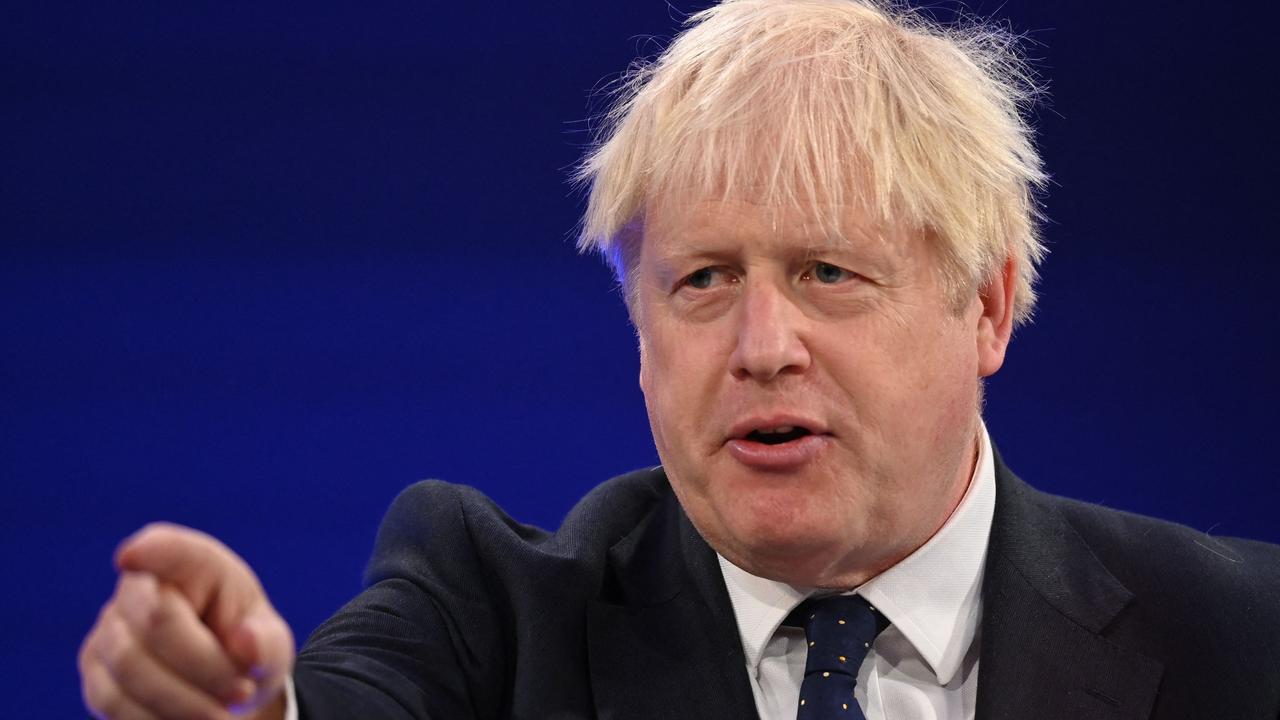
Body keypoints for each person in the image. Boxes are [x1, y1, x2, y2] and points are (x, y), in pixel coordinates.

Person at [78, 1, 1280, 718]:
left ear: (987, 307)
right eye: (701, 281)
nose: (761, 348)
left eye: (827, 273)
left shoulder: (1244, 640)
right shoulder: (490, 618)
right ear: (639, 333)